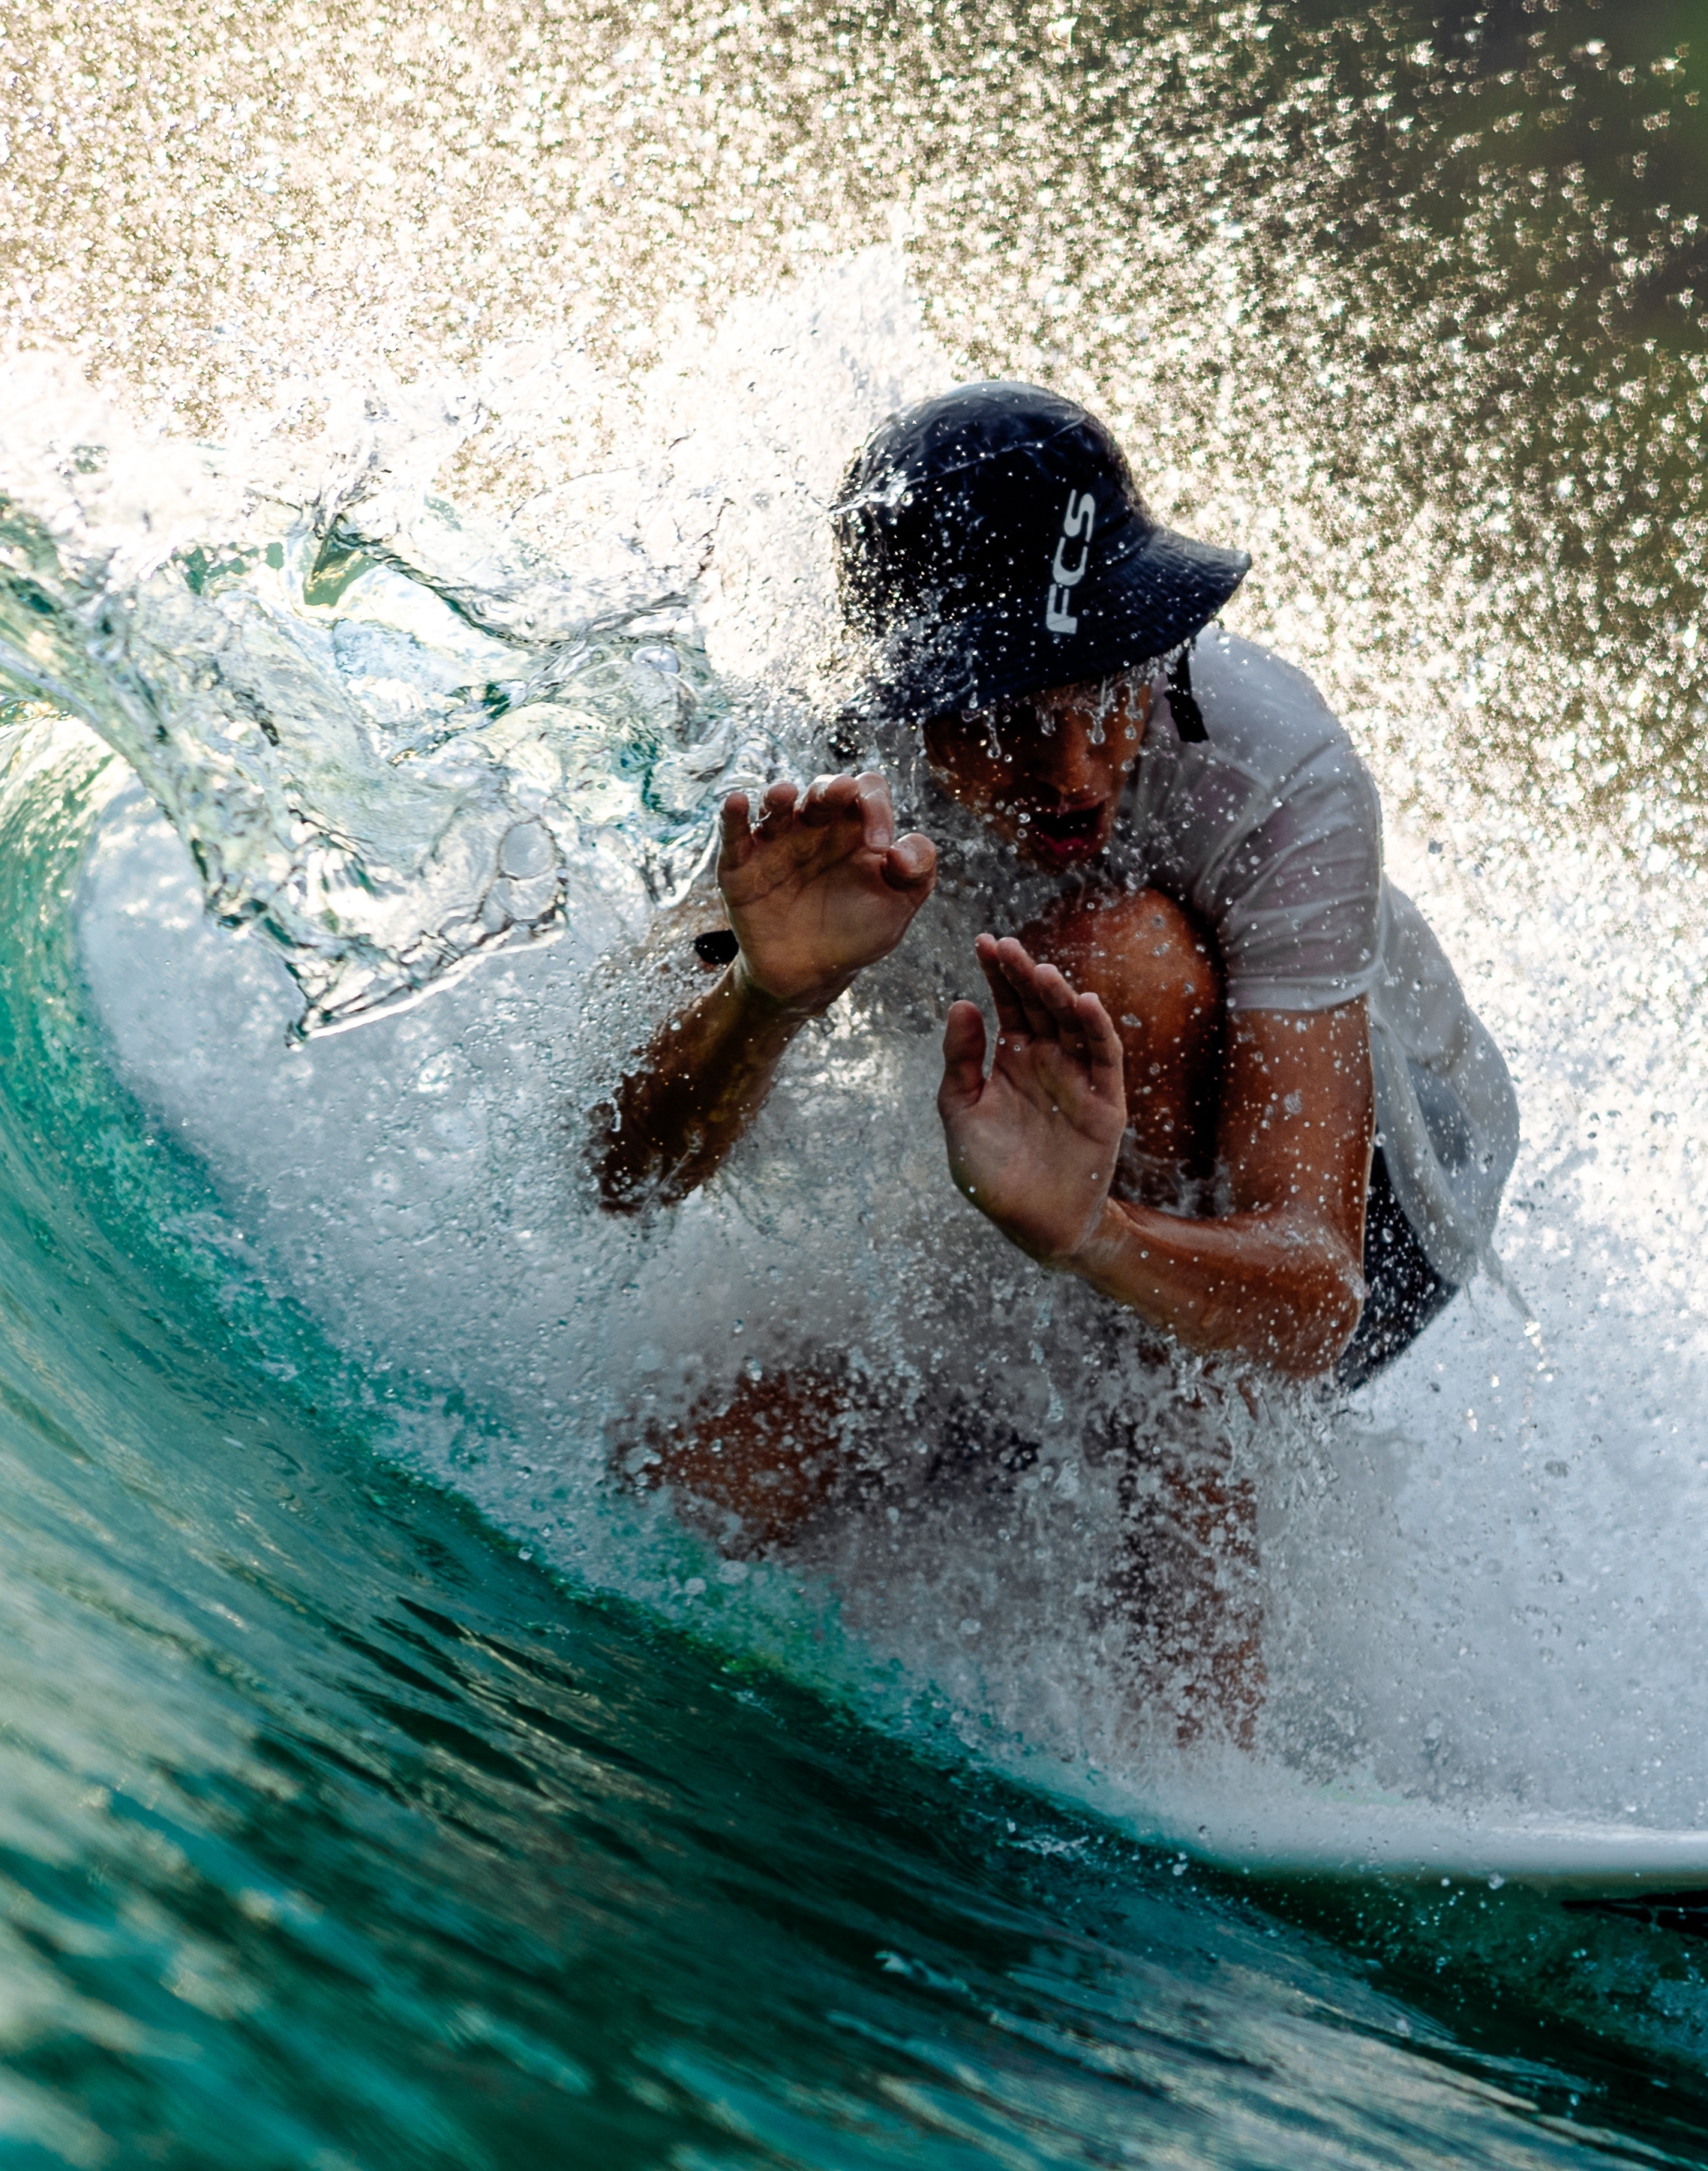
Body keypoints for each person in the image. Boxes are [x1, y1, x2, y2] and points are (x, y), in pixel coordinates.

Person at [596, 383, 1517, 1733]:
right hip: (1048, 1189)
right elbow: (623, 1174)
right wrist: (764, 1001)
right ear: (916, 698)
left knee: (1118, 972)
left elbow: (1315, 1293)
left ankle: (1201, 1741)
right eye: (1014, 718)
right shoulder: (828, 779)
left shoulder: (1280, 765)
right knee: (678, 1475)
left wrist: (1088, 1234)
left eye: (1109, 692)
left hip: (1379, 1202)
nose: (1078, 769)